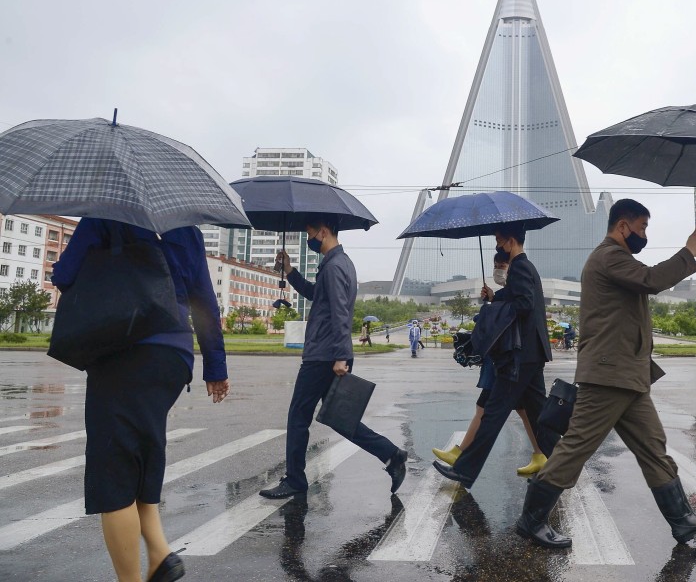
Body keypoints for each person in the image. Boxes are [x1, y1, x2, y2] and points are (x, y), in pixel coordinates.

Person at [516, 199, 696, 549]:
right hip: (609, 376)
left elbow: (644, 282)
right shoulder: (608, 257)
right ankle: (531, 520)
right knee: (576, 448)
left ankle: (681, 520)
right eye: (642, 227)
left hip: (628, 376)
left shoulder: (619, 258)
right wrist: (689, 252)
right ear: (623, 226)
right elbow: (652, 279)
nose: (644, 234)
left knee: (653, 448)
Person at [52, 218, 230, 582]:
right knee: (139, 454)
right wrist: (216, 366)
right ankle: (160, 553)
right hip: (174, 358)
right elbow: (204, 301)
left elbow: (65, 275)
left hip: (126, 349)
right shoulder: (187, 230)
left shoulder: (105, 215)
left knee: (114, 473)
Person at [259, 217, 407, 500]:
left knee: (298, 416)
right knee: (340, 418)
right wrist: (290, 271)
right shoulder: (338, 263)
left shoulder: (335, 265)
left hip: (324, 355)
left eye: (310, 233)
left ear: (323, 232)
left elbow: (340, 311)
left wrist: (341, 355)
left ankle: (295, 480)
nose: (309, 239)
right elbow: (318, 295)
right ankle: (391, 455)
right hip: (329, 353)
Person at [432, 223, 559, 488]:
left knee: (493, 412)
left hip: (521, 354)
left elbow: (525, 303)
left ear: (511, 241)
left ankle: (465, 470)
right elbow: (518, 296)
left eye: (500, 241)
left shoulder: (521, 267)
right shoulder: (527, 266)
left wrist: (493, 310)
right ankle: (562, 464)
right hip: (531, 354)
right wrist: (495, 296)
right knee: (538, 415)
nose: (497, 246)